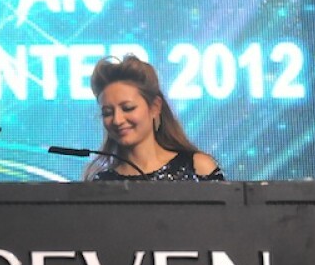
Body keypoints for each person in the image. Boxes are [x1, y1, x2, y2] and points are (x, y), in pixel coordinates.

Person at [84, 55, 224, 181]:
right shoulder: (101, 183)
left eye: (128, 108)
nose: (117, 120)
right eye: (107, 113)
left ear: (155, 107)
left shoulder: (199, 168)